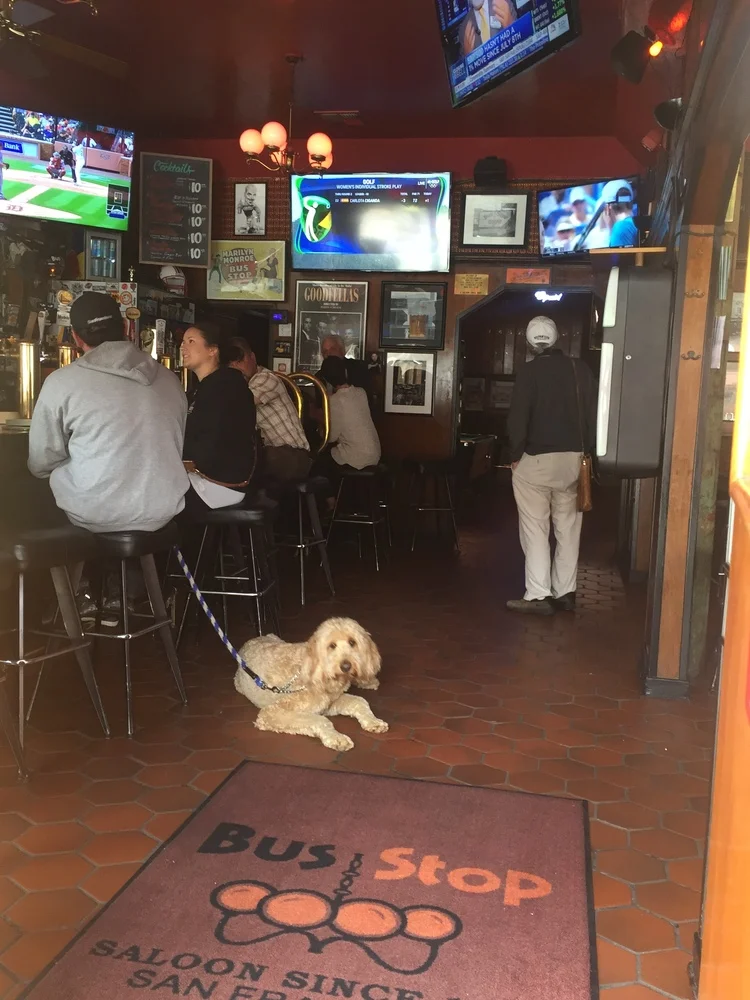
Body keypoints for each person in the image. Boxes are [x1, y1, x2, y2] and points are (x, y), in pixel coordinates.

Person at [28, 291, 189, 533]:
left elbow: (41, 462)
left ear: (75, 336)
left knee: (24, 491)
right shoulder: (170, 379)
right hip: (161, 513)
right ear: (125, 326)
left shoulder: (62, 382)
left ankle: (77, 570)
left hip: (92, 516)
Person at [506, 316, 597, 616]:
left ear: (531, 344)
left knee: (535, 527)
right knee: (568, 528)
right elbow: (594, 413)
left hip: (537, 461)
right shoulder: (579, 369)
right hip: (573, 460)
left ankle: (538, 594)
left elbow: (518, 418)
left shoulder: (529, 372)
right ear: (556, 340)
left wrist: (515, 455)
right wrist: (590, 452)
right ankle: (566, 592)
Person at [180, 322, 257, 516]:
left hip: (220, 485)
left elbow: (213, 444)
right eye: (182, 342)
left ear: (212, 350)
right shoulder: (203, 388)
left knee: (150, 497)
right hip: (203, 477)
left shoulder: (226, 387)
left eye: (191, 341)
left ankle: (186, 547)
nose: (183, 347)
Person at [228, 338, 311, 484]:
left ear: (252, 357)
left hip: (295, 456)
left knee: (247, 460)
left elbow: (240, 404)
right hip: (274, 454)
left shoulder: (266, 378)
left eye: (240, 359)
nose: (236, 365)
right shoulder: (240, 387)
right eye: (231, 362)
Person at [311, 355, 381, 503]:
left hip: (357, 458)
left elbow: (331, 437)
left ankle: (332, 505)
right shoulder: (361, 392)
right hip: (374, 454)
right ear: (346, 373)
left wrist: (320, 428)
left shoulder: (334, 401)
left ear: (327, 381)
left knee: (318, 464)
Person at [318, 334, 371, 398]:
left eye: (332, 349)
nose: (328, 353)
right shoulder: (319, 377)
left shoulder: (360, 368)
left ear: (343, 350)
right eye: (325, 351)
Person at [602, 179, 639, 248]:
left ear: (607, 208)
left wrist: (610, 230)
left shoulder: (620, 228)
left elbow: (614, 258)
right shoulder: (635, 223)